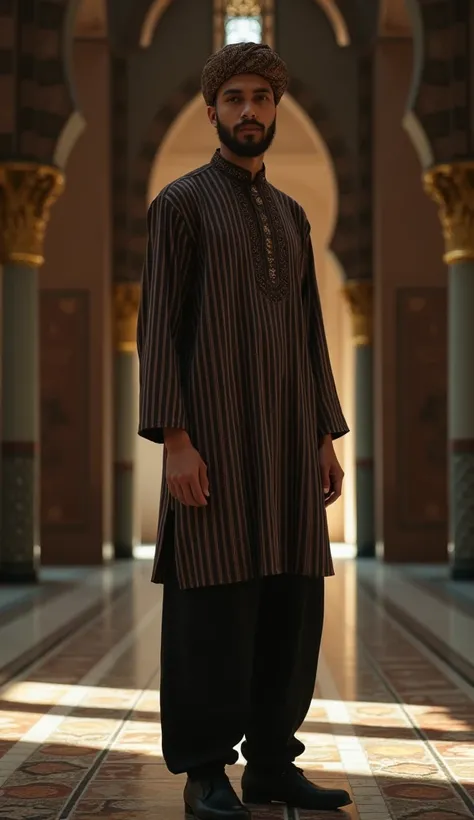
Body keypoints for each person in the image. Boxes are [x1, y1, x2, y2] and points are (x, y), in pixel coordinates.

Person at [137, 42, 351, 819]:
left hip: (288, 444)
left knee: (289, 609)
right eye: (235, 100)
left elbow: (309, 332)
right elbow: (158, 327)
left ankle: (271, 764)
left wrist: (323, 435)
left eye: (261, 98)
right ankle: (203, 773)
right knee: (212, 612)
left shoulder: (291, 216)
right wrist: (177, 440)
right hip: (215, 446)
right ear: (213, 112)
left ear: (276, 108)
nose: (249, 112)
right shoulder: (181, 206)